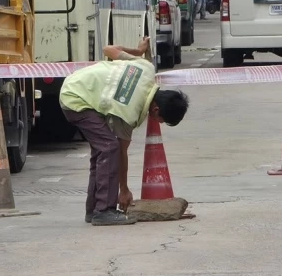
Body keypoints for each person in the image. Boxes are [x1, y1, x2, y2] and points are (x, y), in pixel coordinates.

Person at [58, 36, 189, 225]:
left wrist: (137, 51)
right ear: (156, 110)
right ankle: (104, 211)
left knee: (101, 150)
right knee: (109, 149)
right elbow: (121, 152)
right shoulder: (129, 111)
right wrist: (124, 189)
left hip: (76, 84)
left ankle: (93, 209)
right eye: (160, 120)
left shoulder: (145, 68)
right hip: (75, 99)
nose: (156, 123)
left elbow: (108, 49)